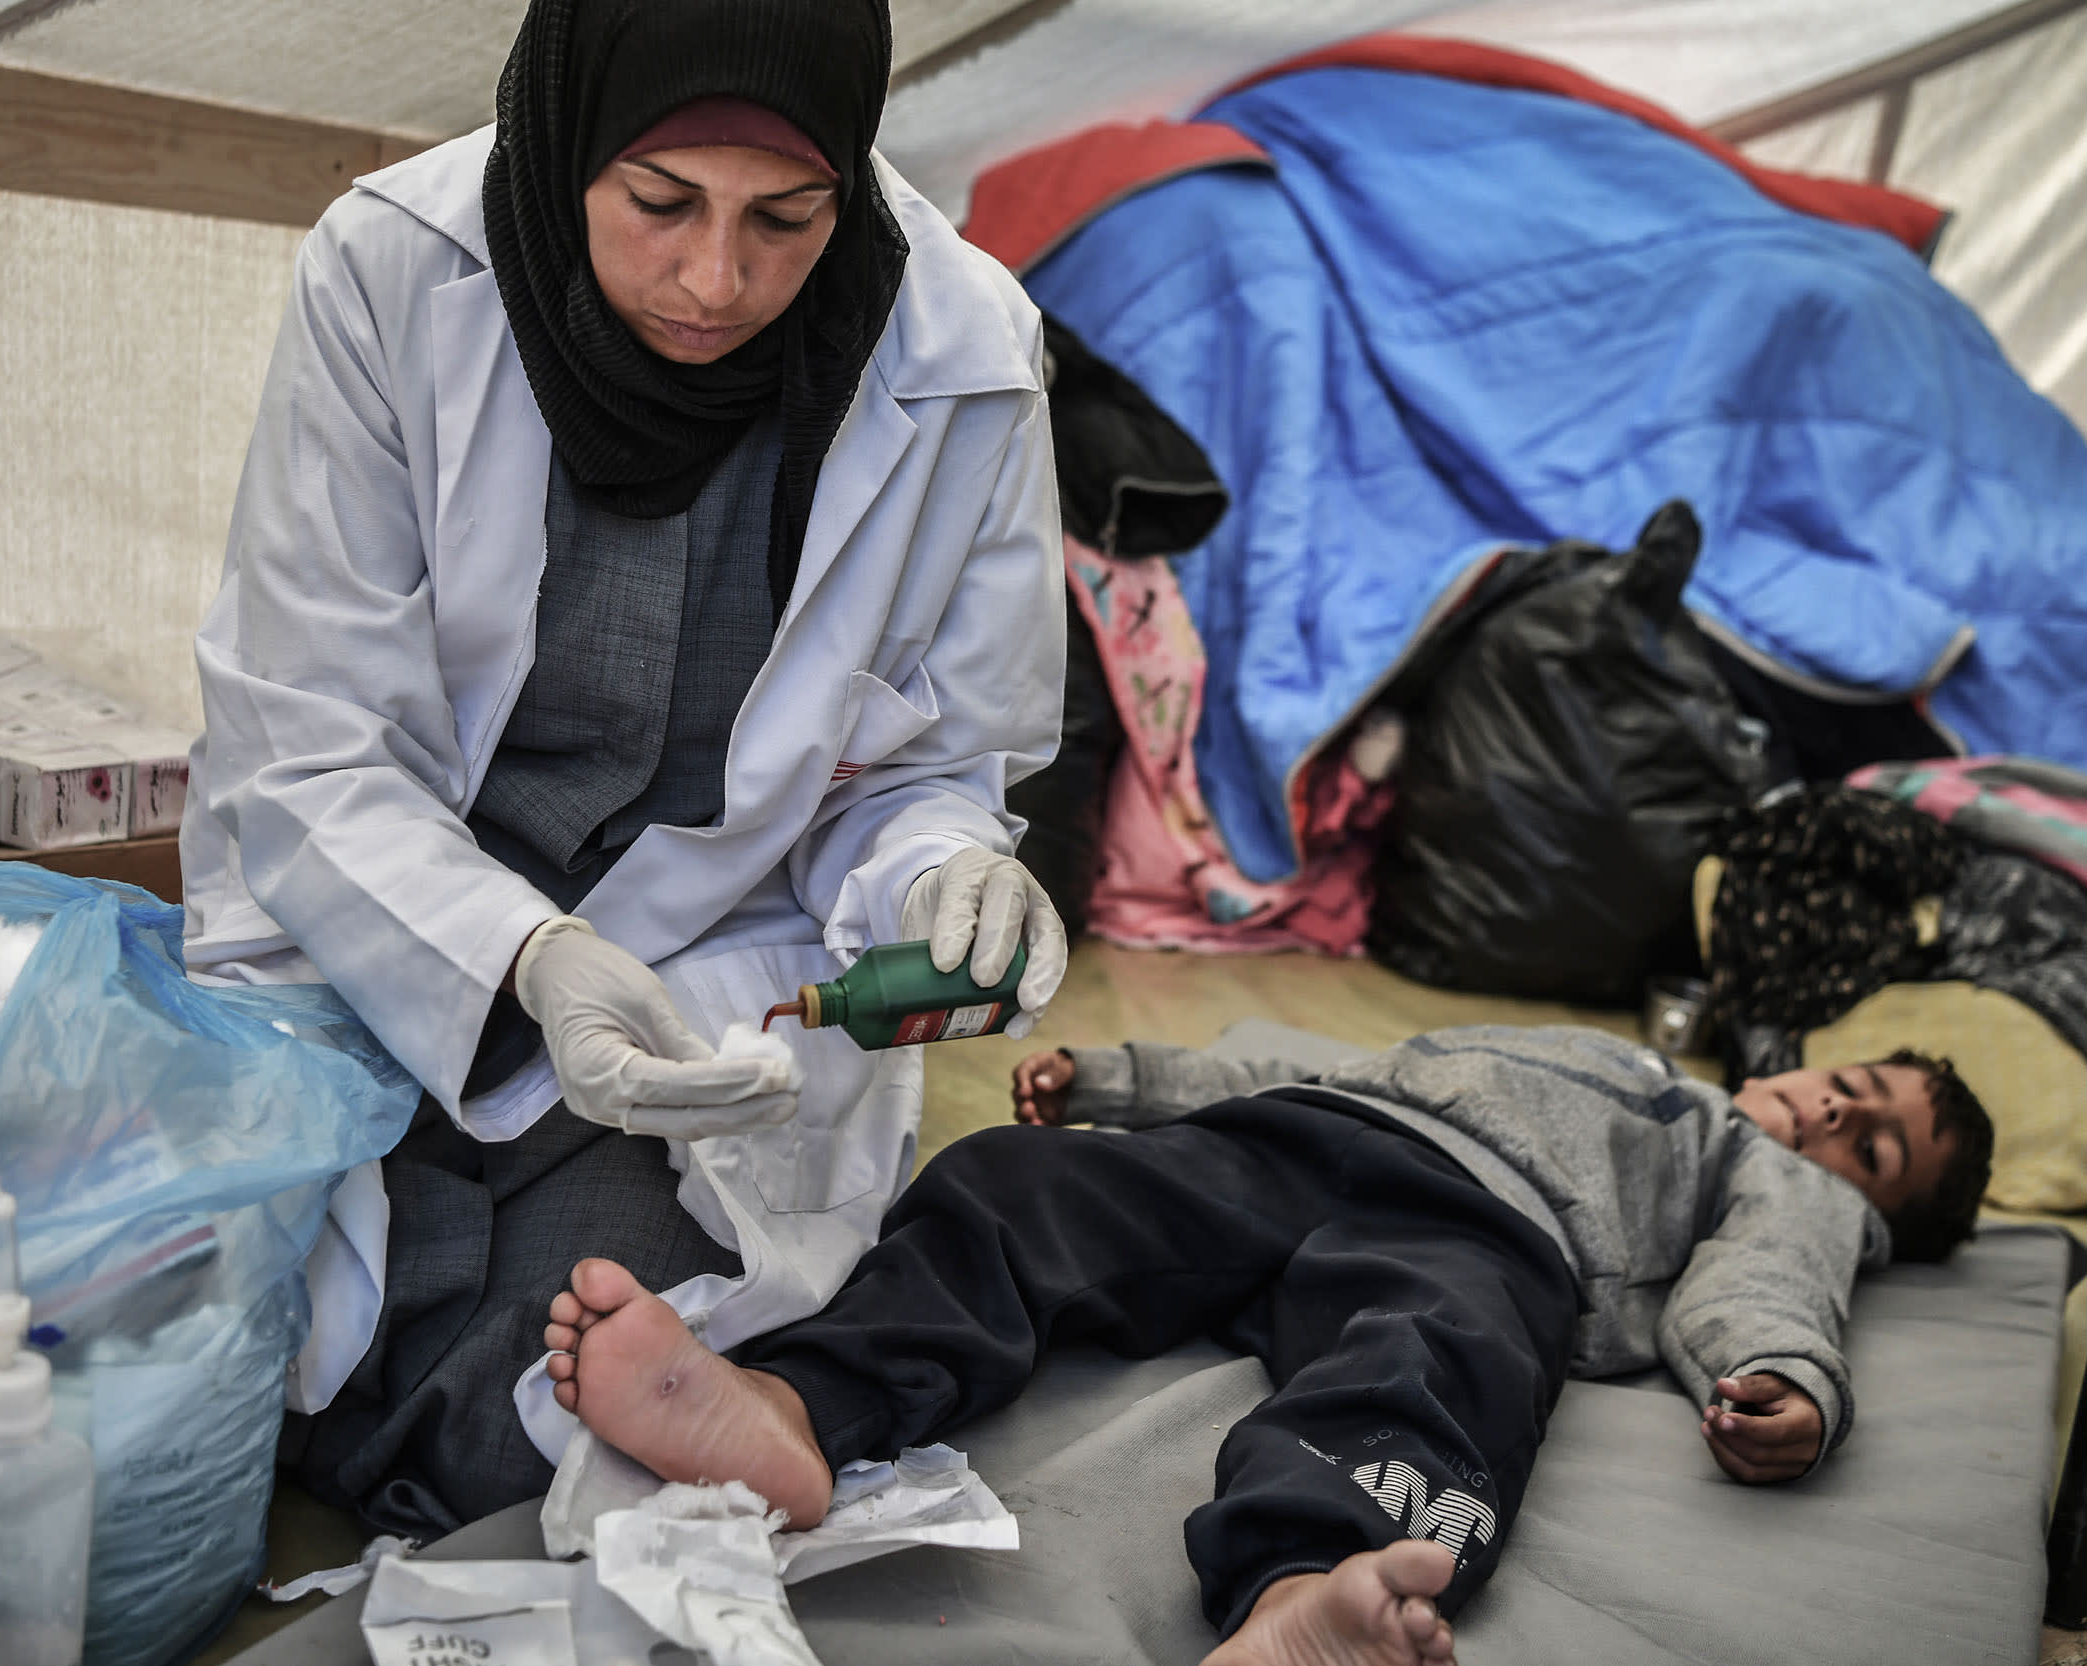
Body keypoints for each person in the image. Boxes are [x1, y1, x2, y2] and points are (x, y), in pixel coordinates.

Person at [177, 0, 1067, 1537]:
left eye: (787, 220)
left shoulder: (966, 350)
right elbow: (307, 739)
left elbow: (922, 760)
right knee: (196, 1374)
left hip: (700, 983)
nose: (717, 280)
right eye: (661, 203)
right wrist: (524, 951)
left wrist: (944, 871)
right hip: (377, 940)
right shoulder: (394, 271)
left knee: (526, 1440)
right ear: (571, 134)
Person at [541, 1024, 1993, 1666]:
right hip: (1303, 1133)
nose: (1832, 1123)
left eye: (1877, 1150)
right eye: (1847, 1088)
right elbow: (1330, 1057)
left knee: (1429, 1359)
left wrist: (1787, 1376)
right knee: (1027, 1190)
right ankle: (793, 1396)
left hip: (1491, 1231)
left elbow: (1773, 1273)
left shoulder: (1780, 1180)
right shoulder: (1597, 1050)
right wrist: (1130, 1079)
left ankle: (1309, 1597)